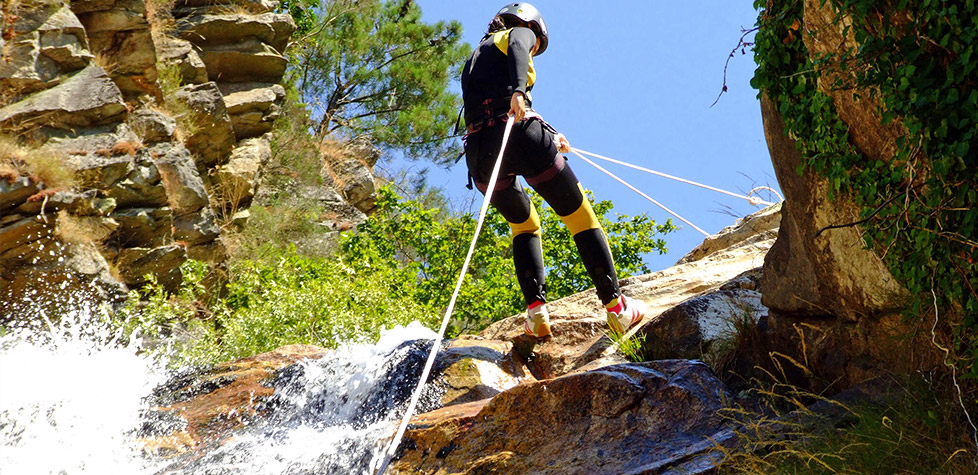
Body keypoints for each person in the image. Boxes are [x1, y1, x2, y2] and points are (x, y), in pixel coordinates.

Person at [461, 2, 647, 338]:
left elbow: (491, 105)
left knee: (525, 224)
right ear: (528, 24)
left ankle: (536, 312)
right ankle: (617, 308)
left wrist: (548, 130)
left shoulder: (473, 59)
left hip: (481, 156)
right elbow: (518, 51)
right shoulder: (516, 33)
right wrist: (520, 90)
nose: (532, 46)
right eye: (535, 42)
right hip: (518, 134)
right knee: (579, 216)